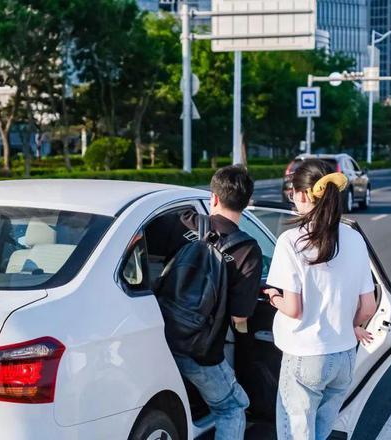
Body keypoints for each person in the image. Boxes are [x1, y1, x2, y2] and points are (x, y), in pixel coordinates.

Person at [263, 159, 377, 440]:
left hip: (305, 357)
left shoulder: (291, 241)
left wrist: (274, 298)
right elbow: (369, 306)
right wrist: (350, 327)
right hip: (344, 359)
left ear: (302, 195)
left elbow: (293, 308)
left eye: (292, 193)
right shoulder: (354, 238)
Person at [158, 165, 263, 440]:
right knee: (232, 406)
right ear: (246, 203)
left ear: (213, 198)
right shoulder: (247, 250)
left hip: (159, 337)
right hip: (201, 351)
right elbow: (240, 316)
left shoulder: (183, 222)